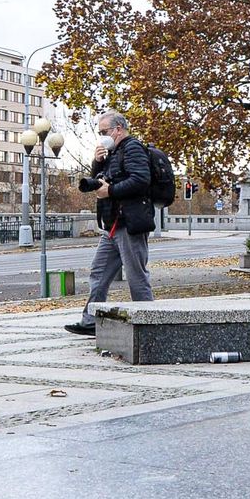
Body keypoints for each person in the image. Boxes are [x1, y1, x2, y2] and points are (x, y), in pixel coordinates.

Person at [66, 111, 155, 336]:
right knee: (98, 271)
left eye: (104, 132)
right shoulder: (112, 153)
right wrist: (97, 163)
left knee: (136, 276)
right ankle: (91, 321)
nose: (101, 136)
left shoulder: (133, 148)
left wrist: (111, 190)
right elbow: (101, 181)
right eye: (99, 133)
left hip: (129, 224)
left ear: (118, 129)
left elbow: (141, 180)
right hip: (112, 224)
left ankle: (150, 324)